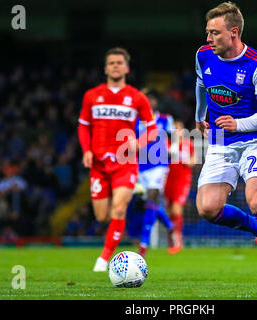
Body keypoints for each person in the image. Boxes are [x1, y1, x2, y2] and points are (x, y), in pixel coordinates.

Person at [194, 2, 257, 288]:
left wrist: (238, 124)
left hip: (255, 141)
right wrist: (199, 116)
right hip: (219, 142)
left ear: (233, 32)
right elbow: (201, 85)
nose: (208, 39)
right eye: (207, 32)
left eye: (214, 33)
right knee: (207, 209)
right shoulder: (203, 56)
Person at [77, 47, 157, 272]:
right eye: (111, 63)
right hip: (99, 165)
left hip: (125, 163)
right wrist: (86, 150)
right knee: (101, 216)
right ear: (105, 68)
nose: (115, 66)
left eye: (119, 63)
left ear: (127, 67)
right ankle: (131, 190)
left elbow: (152, 130)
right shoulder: (92, 96)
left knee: (119, 210)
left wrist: (138, 144)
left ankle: (103, 260)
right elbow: (83, 127)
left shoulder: (137, 97)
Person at [136, 89, 175, 257]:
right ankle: (170, 226)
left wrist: (172, 149)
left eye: (151, 99)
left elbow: (173, 138)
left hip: (159, 165)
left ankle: (143, 244)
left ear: (155, 102)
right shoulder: (135, 121)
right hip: (140, 167)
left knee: (151, 198)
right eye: (146, 99)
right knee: (150, 204)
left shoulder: (166, 119)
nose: (149, 102)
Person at [164, 120, 196, 254]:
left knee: (177, 207)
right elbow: (165, 156)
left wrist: (190, 161)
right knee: (169, 210)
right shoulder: (167, 144)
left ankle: (178, 240)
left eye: (179, 129)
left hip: (182, 179)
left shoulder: (189, 144)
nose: (177, 131)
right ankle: (171, 239)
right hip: (168, 179)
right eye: (174, 129)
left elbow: (193, 160)